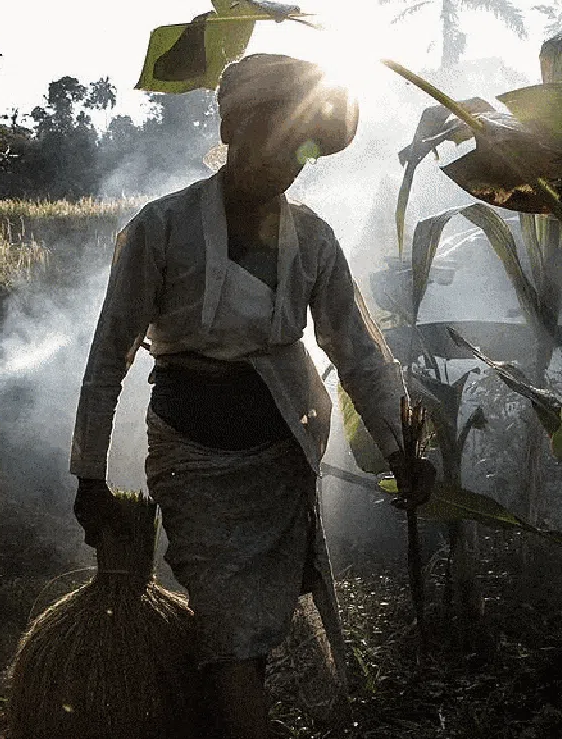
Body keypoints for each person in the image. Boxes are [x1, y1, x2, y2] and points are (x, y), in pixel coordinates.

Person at [71, 53, 433, 739]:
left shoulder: (314, 239)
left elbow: (358, 351)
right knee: (230, 628)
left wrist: (401, 447)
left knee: (254, 631)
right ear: (234, 130)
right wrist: (89, 471)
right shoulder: (162, 228)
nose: (289, 163)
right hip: (191, 458)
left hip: (281, 455)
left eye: (304, 150)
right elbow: (108, 353)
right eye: (276, 141)